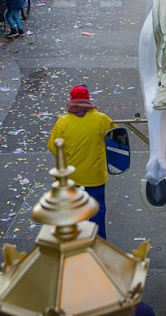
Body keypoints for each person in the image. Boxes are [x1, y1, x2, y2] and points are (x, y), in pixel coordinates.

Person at [47, 85, 116, 238]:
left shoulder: (63, 122)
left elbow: (53, 147)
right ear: (88, 99)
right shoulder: (101, 119)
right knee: (97, 209)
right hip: (94, 175)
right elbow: (116, 138)